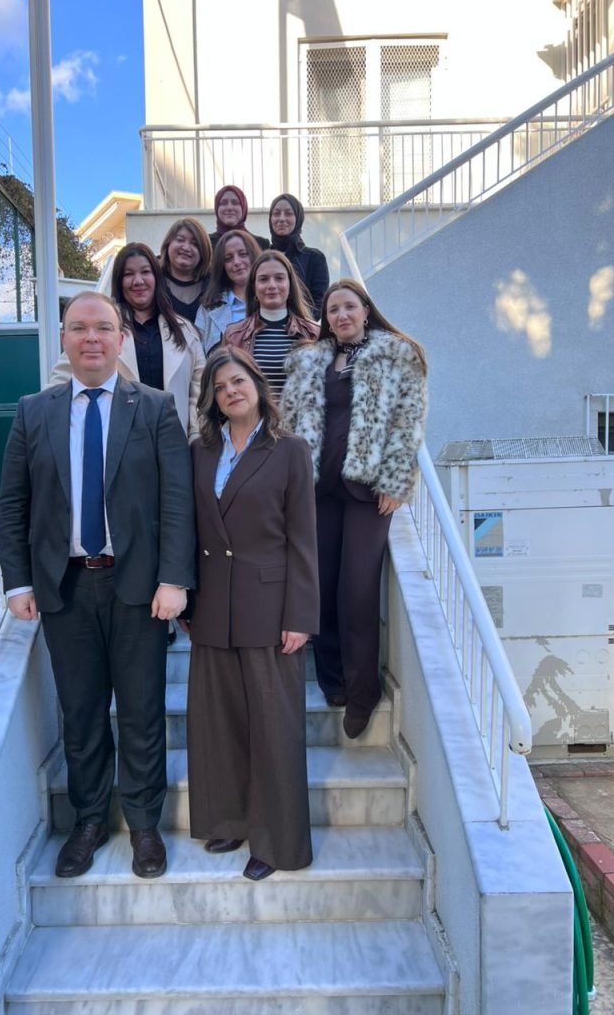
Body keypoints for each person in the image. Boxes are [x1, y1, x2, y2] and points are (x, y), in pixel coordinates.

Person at [0, 291, 195, 880]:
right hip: (65, 590)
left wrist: (174, 578)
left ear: (120, 339)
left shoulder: (155, 407)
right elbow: (14, 503)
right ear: (63, 338)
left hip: (137, 588)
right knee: (81, 715)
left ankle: (144, 825)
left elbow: (177, 501)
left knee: (141, 713)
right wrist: (17, 582)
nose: (91, 338)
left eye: (103, 328)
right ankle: (88, 821)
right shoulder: (33, 411)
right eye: (79, 327)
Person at [182, 346, 319, 881]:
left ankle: (277, 841)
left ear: (258, 386)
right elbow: (188, 526)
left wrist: (300, 615)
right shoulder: (200, 451)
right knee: (218, 724)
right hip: (212, 607)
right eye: (219, 388)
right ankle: (229, 820)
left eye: (237, 381)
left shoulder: (290, 450)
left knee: (273, 728)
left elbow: (303, 539)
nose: (230, 392)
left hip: (270, 606)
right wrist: (187, 596)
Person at [281, 279, 427, 739]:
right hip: (319, 489)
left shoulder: (396, 353)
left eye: (349, 306)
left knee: (357, 591)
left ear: (365, 309)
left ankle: (363, 692)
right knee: (322, 586)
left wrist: (397, 478)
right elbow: (290, 421)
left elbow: (409, 418)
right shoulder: (311, 360)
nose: (341, 315)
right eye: (333, 309)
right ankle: (333, 681)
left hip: (367, 491)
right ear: (325, 318)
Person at [51, 244, 205, 440]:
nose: (138, 281)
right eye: (128, 274)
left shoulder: (186, 331)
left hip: (172, 441)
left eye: (145, 272)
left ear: (157, 278)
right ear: (119, 281)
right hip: (118, 444)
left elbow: (199, 393)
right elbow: (60, 382)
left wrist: (195, 437)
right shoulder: (101, 330)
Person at [223, 249, 319, 399]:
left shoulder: (314, 333)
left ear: (290, 285)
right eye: (264, 279)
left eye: (279, 278)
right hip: (254, 415)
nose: (272, 285)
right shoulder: (234, 335)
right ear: (254, 287)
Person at [194, 229, 261, 353]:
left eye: (243, 254)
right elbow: (198, 356)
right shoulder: (209, 308)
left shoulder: (272, 300)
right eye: (228, 259)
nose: (237, 262)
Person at [268, 193, 329, 319]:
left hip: (303, 328)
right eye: (276, 213)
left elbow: (320, 304)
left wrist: (297, 324)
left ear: (298, 218)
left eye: (288, 213)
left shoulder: (314, 258)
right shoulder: (262, 257)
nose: (282, 218)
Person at [158, 217, 213, 324]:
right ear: (168, 243)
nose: (186, 248)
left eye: (195, 244)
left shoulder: (214, 284)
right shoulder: (153, 279)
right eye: (180, 240)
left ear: (203, 251)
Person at [208, 184, 269, 252]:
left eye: (235, 203)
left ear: (243, 207)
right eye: (223, 203)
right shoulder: (206, 243)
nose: (229, 208)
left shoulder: (261, 244)